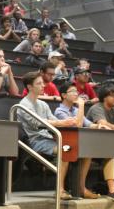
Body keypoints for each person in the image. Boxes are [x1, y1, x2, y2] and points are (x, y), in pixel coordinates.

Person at [17, 71, 80, 200]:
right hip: (33, 141)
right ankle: (60, 189)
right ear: (29, 87)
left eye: (42, 83)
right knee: (65, 150)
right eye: (39, 83)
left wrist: (65, 123)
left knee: (70, 148)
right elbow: (37, 123)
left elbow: (52, 120)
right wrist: (62, 122)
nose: (43, 86)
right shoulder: (23, 105)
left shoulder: (43, 104)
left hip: (47, 139)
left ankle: (75, 188)